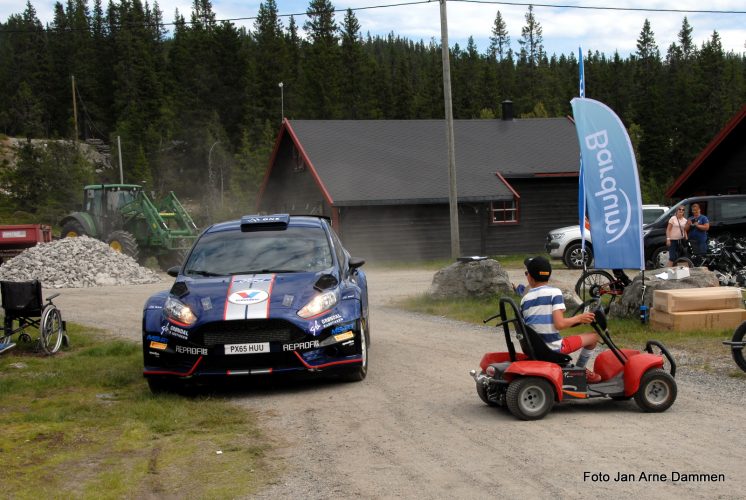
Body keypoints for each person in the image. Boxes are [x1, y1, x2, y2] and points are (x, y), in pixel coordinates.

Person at [520, 256, 602, 383]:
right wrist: (579, 318)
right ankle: (580, 371)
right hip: (554, 348)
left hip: (535, 348)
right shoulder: (555, 293)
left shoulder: (525, 298)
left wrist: (577, 319)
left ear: (530, 277)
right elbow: (560, 324)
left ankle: (579, 371)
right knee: (593, 337)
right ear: (549, 275)